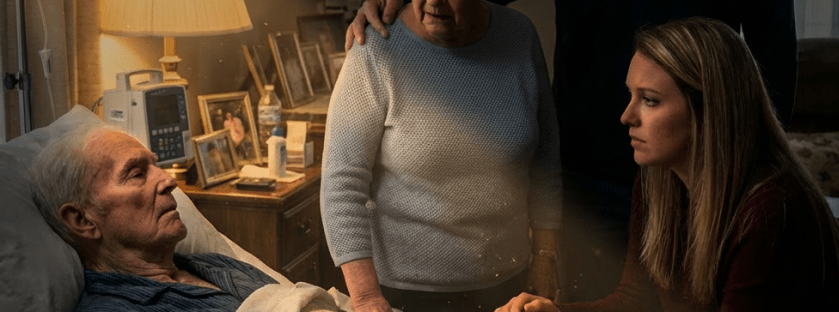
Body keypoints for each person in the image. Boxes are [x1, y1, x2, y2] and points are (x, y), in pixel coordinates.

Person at [346, 0, 798, 302]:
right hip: (589, 179)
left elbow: (772, 57)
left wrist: (742, 169)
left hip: (702, 179)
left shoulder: (763, 212)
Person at [495, 17, 839, 311]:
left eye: (650, 100)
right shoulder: (658, 179)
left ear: (708, 110)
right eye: (631, 96)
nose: (626, 116)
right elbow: (636, 302)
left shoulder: (771, 211)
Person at [320, 0, 562, 311]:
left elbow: (545, 160)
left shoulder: (519, 34)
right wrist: (366, 297)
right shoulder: (376, 46)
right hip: (400, 293)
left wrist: (544, 257)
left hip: (508, 286)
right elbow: (342, 182)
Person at [29, 125, 278, 311]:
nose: (169, 180)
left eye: (155, 166)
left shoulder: (213, 264)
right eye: (137, 174)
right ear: (83, 220)